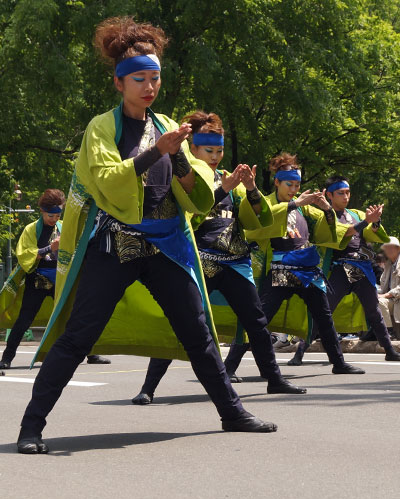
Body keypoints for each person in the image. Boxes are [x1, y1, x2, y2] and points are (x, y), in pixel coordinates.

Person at [16, 17, 277, 454]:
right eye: (140, 78)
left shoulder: (168, 123)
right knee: (79, 335)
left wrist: (176, 157)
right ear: (120, 82)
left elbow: (196, 195)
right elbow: (107, 181)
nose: (150, 86)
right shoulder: (103, 127)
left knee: (197, 330)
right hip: (115, 242)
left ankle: (232, 412)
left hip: (166, 244)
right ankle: (31, 427)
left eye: (155, 77)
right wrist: (159, 149)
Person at [132, 112, 306, 405]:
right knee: (181, 321)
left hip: (235, 260)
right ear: (194, 149)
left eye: (219, 150)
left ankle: (274, 379)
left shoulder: (233, 181)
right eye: (208, 150)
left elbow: (255, 220)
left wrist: (250, 188)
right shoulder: (183, 177)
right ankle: (148, 387)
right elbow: (189, 212)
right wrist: (222, 187)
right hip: (200, 259)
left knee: (257, 322)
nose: (215, 156)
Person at [224, 155, 366, 377]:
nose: (294, 189)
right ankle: (229, 367)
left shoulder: (304, 208)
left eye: (297, 185)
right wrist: (294, 204)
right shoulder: (267, 202)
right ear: (277, 182)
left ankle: (338, 363)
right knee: (258, 319)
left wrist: (327, 208)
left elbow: (327, 229)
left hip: (308, 272)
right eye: (289, 184)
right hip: (281, 270)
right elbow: (260, 222)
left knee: (325, 318)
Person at [289, 176, 400, 364]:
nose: (345, 196)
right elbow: (342, 232)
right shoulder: (325, 214)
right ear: (329, 195)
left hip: (360, 267)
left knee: (373, 310)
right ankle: (299, 352)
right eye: (341, 193)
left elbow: (372, 234)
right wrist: (366, 221)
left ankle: (389, 350)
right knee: (324, 310)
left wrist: (374, 222)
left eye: (348, 192)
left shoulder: (355, 213)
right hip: (338, 267)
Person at [0, 189, 110, 371]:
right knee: (24, 321)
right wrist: (49, 248)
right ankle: (6, 358)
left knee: (77, 315)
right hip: (38, 281)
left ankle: (91, 354)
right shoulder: (31, 230)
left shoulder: (64, 226)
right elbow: (24, 256)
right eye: (51, 215)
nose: (54, 218)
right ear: (42, 211)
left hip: (61, 279)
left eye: (58, 214)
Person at [377, 236, 400, 337]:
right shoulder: (388, 264)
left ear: (398, 249)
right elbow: (383, 286)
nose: (388, 250)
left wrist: (385, 295)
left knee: (380, 301)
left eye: (391, 247)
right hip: (392, 300)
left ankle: (389, 332)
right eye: (386, 248)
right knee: (368, 299)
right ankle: (373, 331)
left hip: (397, 299)